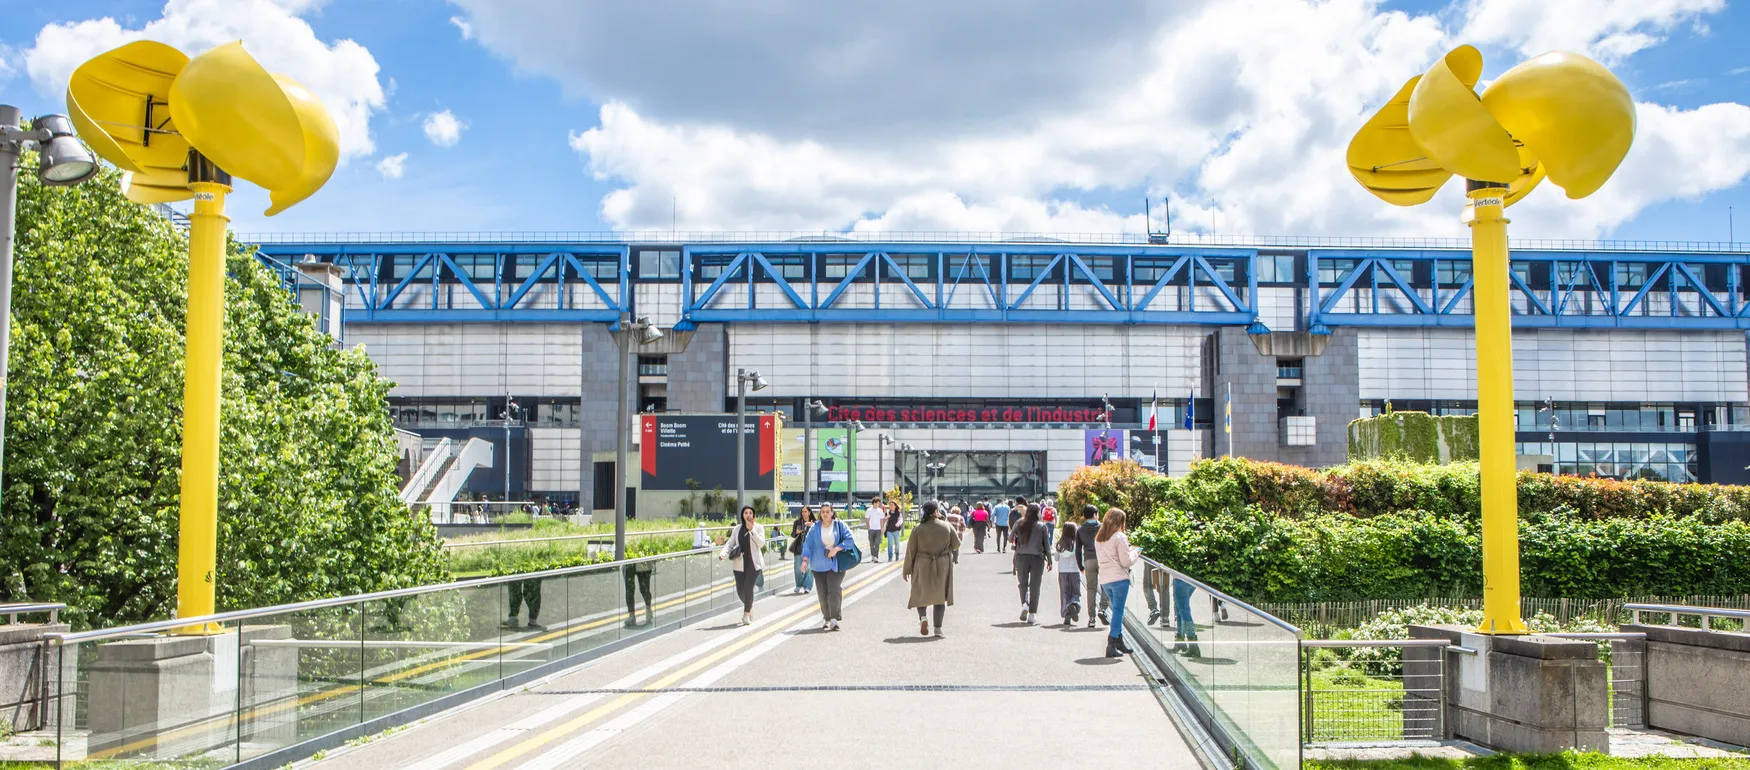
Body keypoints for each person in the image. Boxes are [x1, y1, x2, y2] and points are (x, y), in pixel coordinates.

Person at [904, 500, 960, 637]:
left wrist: (907, 569)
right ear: (936, 511)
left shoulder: (918, 528)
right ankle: (938, 628)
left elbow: (911, 550)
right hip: (942, 563)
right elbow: (956, 544)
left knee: (920, 592)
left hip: (922, 563)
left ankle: (923, 618)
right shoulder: (946, 526)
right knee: (940, 596)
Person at [800, 502, 858, 630]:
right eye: (823, 512)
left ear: (832, 513)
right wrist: (804, 560)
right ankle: (826, 618)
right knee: (822, 593)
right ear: (820, 514)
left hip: (835, 564)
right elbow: (808, 545)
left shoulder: (839, 525)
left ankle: (834, 618)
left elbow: (850, 540)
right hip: (818, 565)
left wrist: (837, 548)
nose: (825, 514)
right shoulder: (815, 528)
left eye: (827, 511)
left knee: (834, 589)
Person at [1095, 507, 1141, 658]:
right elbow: (1126, 562)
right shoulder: (1119, 537)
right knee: (1118, 611)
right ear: (1120, 522)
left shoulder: (1099, 538)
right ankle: (1112, 642)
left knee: (1116, 610)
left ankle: (1119, 640)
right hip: (1119, 579)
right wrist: (1136, 553)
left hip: (1105, 580)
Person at [719, 505, 767, 625]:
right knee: (740, 590)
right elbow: (730, 543)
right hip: (739, 563)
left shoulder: (759, 527)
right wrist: (723, 553)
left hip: (754, 563)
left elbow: (761, 544)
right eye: (745, 513)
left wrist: (752, 530)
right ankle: (750, 606)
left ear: (753, 515)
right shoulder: (737, 529)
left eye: (750, 513)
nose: (748, 515)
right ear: (742, 515)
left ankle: (746, 615)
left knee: (748, 587)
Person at [1011, 503, 1052, 625]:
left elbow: (1010, 538)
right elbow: (1047, 545)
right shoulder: (1041, 526)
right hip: (1037, 558)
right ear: (1037, 512)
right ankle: (1032, 614)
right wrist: (1049, 560)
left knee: (1022, 583)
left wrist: (1019, 537)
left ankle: (1025, 604)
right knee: (1035, 586)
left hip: (1021, 557)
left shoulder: (1019, 523)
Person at [1076, 505, 1109, 629]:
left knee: (1091, 589)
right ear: (1095, 515)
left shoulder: (1080, 530)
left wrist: (1080, 566)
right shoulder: (1103, 527)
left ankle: (1092, 618)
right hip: (1103, 559)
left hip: (1088, 560)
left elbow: (1078, 549)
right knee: (1106, 585)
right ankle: (1103, 608)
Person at [1055, 521, 1082, 626]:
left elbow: (1056, 558)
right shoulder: (1077, 544)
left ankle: (1067, 615)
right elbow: (1081, 557)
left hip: (1062, 571)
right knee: (1075, 592)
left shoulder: (1059, 543)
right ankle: (1074, 605)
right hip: (1074, 571)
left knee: (1064, 593)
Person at [789, 506, 816, 595]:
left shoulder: (814, 523)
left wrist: (813, 527)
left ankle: (807, 586)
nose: (804, 513)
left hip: (810, 547)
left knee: (808, 568)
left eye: (805, 511)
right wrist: (796, 532)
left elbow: (818, 534)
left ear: (809, 512)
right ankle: (798, 584)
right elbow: (793, 535)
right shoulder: (797, 522)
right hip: (799, 547)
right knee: (797, 568)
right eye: (802, 511)